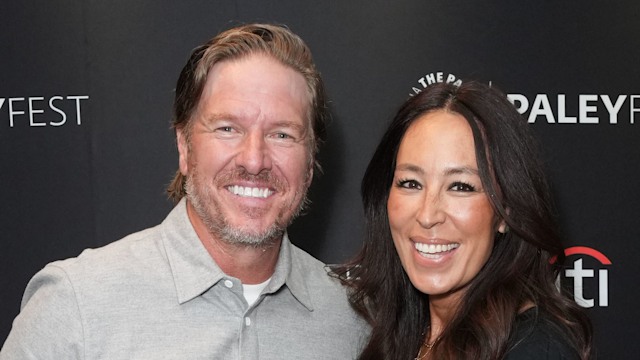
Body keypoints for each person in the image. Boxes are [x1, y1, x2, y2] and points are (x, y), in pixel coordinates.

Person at [1, 23, 367, 359]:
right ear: (184, 146)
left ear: (311, 159)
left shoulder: (352, 319)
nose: (254, 160)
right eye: (227, 128)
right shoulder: (75, 305)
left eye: (282, 134)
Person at [335, 81, 593, 359]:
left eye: (460, 186)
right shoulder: (403, 335)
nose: (427, 215)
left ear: (505, 211)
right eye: (410, 183)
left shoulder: (535, 349)